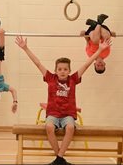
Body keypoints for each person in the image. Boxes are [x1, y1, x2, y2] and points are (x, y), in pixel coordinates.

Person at [15, 35, 111, 165]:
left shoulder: (73, 79)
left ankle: (58, 159)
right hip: (53, 114)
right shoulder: (50, 78)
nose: (62, 71)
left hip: (67, 115)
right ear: (55, 70)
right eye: (59, 69)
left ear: (69, 70)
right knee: (49, 127)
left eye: (65, 69)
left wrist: (99, 51)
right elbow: (38, 63)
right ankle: (60, 159)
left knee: (70, 128)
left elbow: (87, 64)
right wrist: (25, 48)